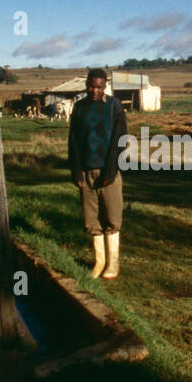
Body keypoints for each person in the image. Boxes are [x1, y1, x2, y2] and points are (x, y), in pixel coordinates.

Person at [67, 68, 127, 279]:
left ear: (105, 87)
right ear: (86, 86)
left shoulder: (114, 106)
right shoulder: (80, 107)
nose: (95, 90)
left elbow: (119, 139)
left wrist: (111, 171)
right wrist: (76, 171)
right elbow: (73, 141)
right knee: (91, 219)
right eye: (91, 86)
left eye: (99, 87)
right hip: (85, 171)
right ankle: (99, 261)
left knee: (112, 217)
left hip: (108, 170)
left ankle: (113, 263)